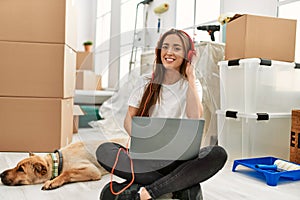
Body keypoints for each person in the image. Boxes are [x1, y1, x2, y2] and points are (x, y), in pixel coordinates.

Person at [96, 28, 227, 200]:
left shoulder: (192, 85)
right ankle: (180, 188)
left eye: (177, 48)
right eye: (165, 47)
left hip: (179, 161)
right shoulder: (145, 82)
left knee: (217, 154)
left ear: (188, 55)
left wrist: (190, 76)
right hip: (147, 160)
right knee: (104, 150)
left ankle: (147, 192)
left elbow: (195, 117)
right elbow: (128, 119)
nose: (169, 52)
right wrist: (143, 138)